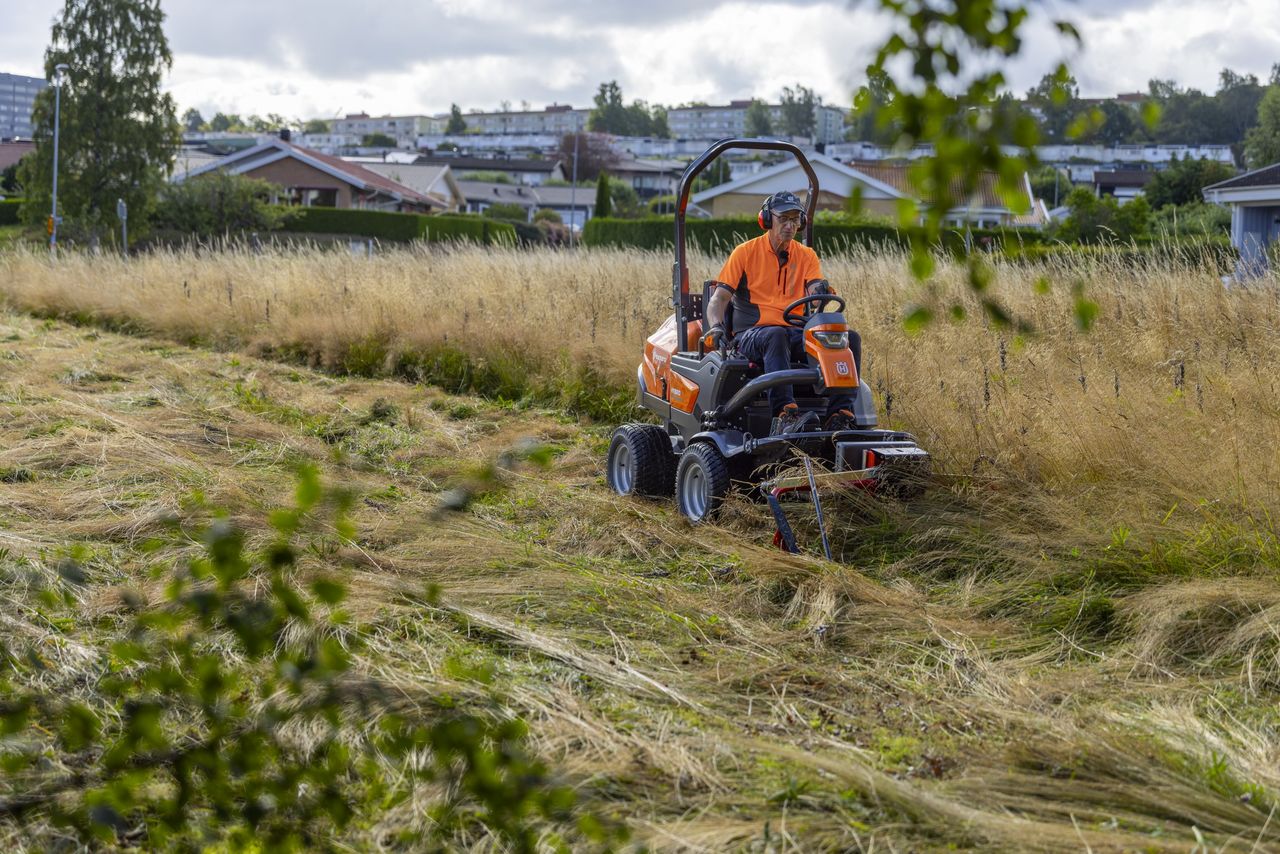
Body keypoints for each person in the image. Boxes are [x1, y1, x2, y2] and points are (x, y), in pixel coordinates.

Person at [703, 190, 862, 435]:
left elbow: (814, 288)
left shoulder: (806, 255)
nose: (790, 225)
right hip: (751, 335)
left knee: (849, 338)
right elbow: (719, 299)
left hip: (794, 330)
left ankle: (839, 416)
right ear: (767, 220)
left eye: (795, 219)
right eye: (783, 219)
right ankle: (785, 415)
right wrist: (715, 327)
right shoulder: (745, 253)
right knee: (775, 334)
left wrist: (819, 288)